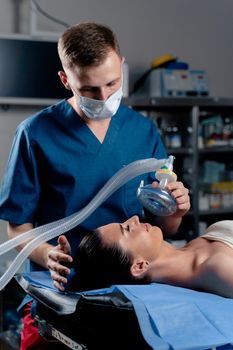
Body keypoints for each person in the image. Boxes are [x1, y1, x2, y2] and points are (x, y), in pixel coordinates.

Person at [0, 22, 190, 349]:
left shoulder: (141, 131)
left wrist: (176, 209)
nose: (104, 98)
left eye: (112, 84)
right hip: (62, 294)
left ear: (122, 67)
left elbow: (165, 228)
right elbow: (18, 228)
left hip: (130, 293)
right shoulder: (35, 134)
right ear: (65, 79)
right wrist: (48, 256)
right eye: (89, 90)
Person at [67, 215, 233, 299]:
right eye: (127, 229)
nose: (134, 218)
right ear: (139, 266)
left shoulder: (188, 251)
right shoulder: (218, 267)